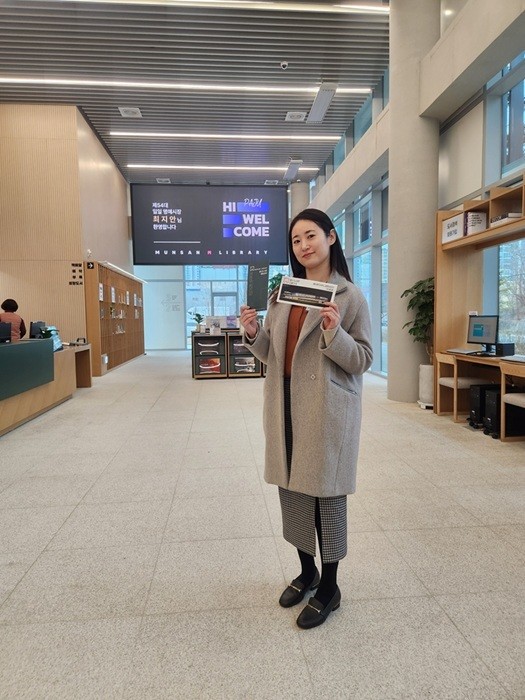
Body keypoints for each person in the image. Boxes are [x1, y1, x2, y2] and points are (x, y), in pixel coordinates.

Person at [240, 208, 372, 629]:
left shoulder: (349, 296)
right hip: (285, 406)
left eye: (310, 235)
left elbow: (363, 359)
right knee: (293, 491)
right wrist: (253, 333)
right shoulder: (284, 293)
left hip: (326, 409)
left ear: (331, 237)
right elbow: (273, 355)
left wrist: (334, 331)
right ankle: (307, 571)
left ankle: (330, 586)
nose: (303, 246)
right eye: (296, 240)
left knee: (326, 495)